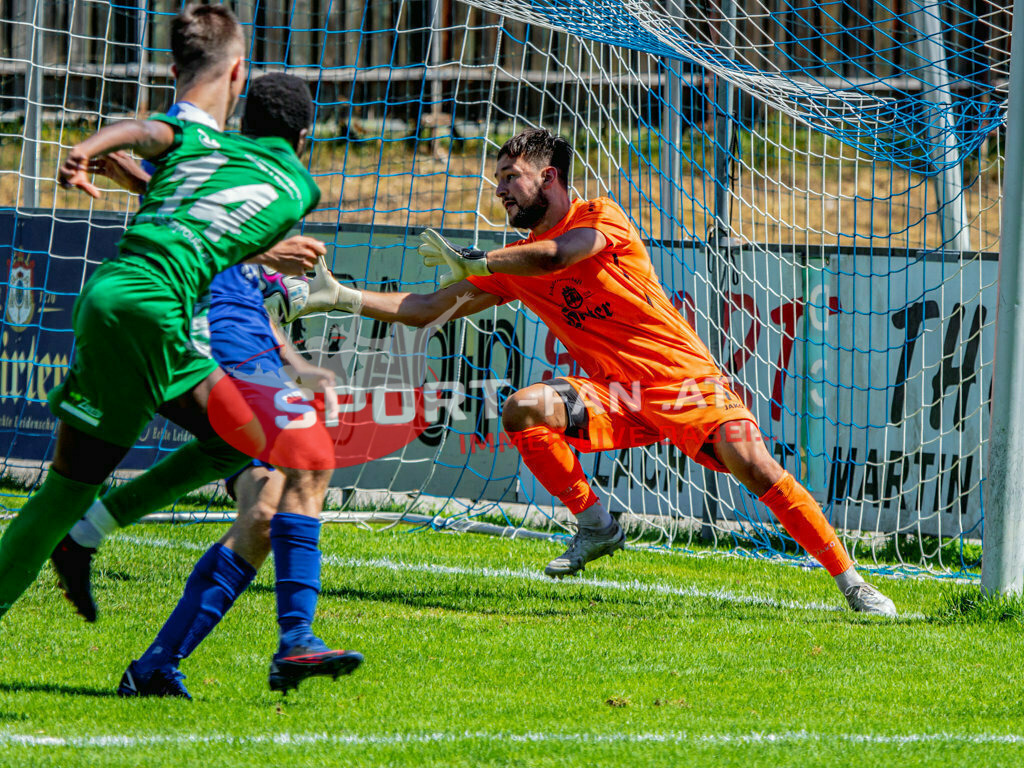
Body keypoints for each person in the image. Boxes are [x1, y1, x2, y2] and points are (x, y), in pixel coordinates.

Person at [306, 127, 898, 617]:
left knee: (758, 467)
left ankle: (851, 581)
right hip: (615, 394)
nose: (501, 194)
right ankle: (597, 524)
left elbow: (558, 256)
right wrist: (341, 298)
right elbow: (429, 308)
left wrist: (481, 259)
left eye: (511, 179)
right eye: (498, 183)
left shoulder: (598, 216)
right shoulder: (512, 263)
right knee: (523, 409)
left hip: (686, 384)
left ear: (550, 178)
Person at [44, 6, 361, 698]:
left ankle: (156, 662)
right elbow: (178, 192)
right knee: (302, 462)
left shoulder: (224, 175)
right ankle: (294, 639)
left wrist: (296, 361)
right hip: (197, 346)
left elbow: (170, 178)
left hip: (223, 348)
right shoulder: (265, 190)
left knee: (264, 510)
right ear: (303, 139)